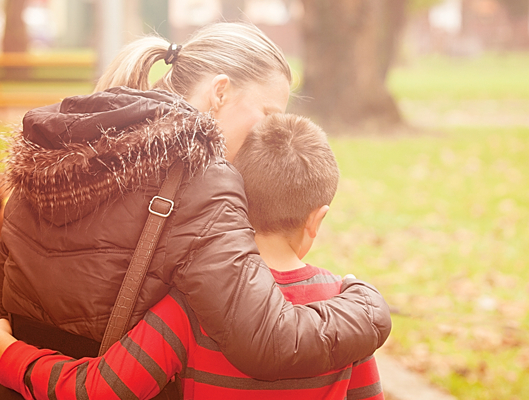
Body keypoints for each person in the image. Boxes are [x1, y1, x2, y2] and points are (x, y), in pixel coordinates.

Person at [0, 22, 390, 386]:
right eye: (268, 114)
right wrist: (367, 305)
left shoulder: (77, 135)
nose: (268, 133)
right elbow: (270, 340)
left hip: (26, 369)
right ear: (220, 92)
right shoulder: (201, 179)